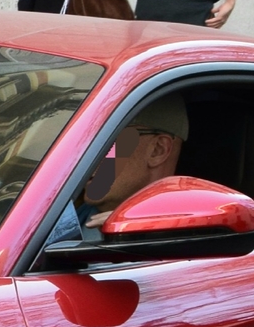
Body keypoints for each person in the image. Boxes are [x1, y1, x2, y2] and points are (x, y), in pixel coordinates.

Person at [45, 98, 188, 249]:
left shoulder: (190, 235)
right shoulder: (57, 219)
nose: (84, 156)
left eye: (106, 141)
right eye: (83, 142)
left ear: (157, 150)